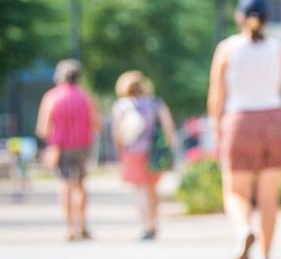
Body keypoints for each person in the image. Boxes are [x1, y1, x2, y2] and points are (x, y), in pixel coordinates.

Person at [208, 0, 281, 259]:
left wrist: (217, 128)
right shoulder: (278, 48)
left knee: (235, 192)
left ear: (239, 17)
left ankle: (243, 229)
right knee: (268, 197)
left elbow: (216, 97)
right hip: (273, 120)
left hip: (239, 121)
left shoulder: (226, 49)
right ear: (268, 18)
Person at [35, 59, 100, 240]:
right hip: (83, 146)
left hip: (61, 146)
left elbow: (43, 128)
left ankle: (69, 228)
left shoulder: (51, 97)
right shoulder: (86, 96)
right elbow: (97, 124)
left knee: (65, 185)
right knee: (81, 185)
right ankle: (83, 224)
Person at [112, 70, 178, 240]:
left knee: (139, 189)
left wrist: (119, 152)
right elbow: (168, 127)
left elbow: (117, 133)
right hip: (153, 152)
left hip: (131, 152)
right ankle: (154, 222)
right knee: (153, 189)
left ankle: (146, 225)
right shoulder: (155, 103)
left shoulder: (121, 106)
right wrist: (169, 147)